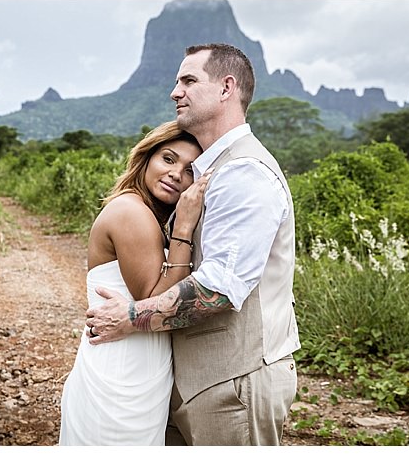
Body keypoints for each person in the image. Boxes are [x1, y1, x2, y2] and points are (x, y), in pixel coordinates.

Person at [85, 43, 301, 446]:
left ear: (226, 88)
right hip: (196, 380)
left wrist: (130, 317)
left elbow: (218, 289)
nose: (175, 92)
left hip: (234, 382)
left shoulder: (244, 175)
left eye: (188, 80)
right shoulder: (210, 171)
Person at [58, 121, 210, 445]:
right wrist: (184, 225)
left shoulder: (148, 214)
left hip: (139, 365)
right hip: (121, 371)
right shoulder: (131, 211)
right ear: (147, 157)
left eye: (189, 171)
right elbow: (155, 296)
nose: (175, 174)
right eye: (168, 159)